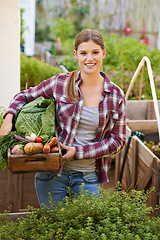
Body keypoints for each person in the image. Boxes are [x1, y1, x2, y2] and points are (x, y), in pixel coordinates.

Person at [0, 29, 126, 208]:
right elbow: (24, 96)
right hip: (52, 175)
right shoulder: (60, 83)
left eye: (95, 52)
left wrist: (79, 152)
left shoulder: (115, 95)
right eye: (83, 53)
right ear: (76, 55)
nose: (89, 58)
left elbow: (118, 140)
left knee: (87, 232)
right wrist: (9, 117)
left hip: (88, 177)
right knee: (54, 231)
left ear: (103, 53)